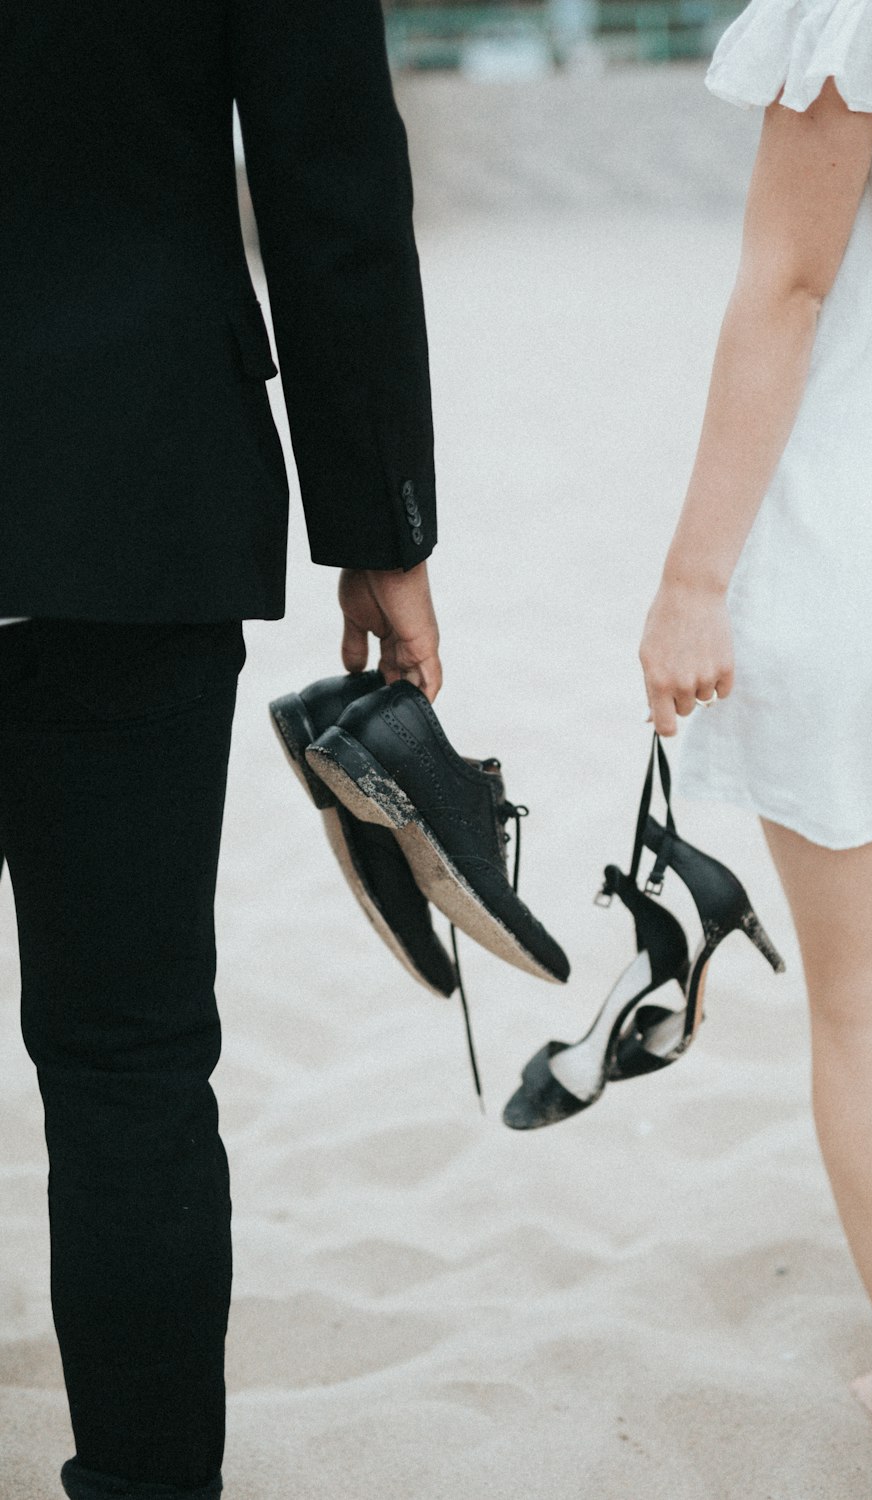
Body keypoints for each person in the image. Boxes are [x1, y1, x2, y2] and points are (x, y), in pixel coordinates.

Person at [0, 4, 440, 1497]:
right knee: (129, 1061)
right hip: (134, 487)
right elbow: (332, 178)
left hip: (139, 502)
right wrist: (380, 532)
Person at [639, 0, 872, 1462]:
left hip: (864, 551)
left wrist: (689, 581)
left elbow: (787, 287)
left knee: (865, 999)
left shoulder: (861, 5)